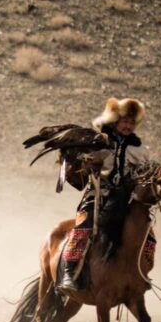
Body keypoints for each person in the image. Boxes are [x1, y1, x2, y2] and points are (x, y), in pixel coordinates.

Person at [57, 97, 149, 297]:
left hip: (124, 199)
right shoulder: (98, 141)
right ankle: (69, 272)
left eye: (132, 122)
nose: (128, 125)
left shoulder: (139, 149)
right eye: (125, 121)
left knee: (147, 231)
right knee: (84, 226)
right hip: (98, 195)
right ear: (116, 120)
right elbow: (81, 166)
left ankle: (142, 273)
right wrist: (87, 163)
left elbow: (144, 171)